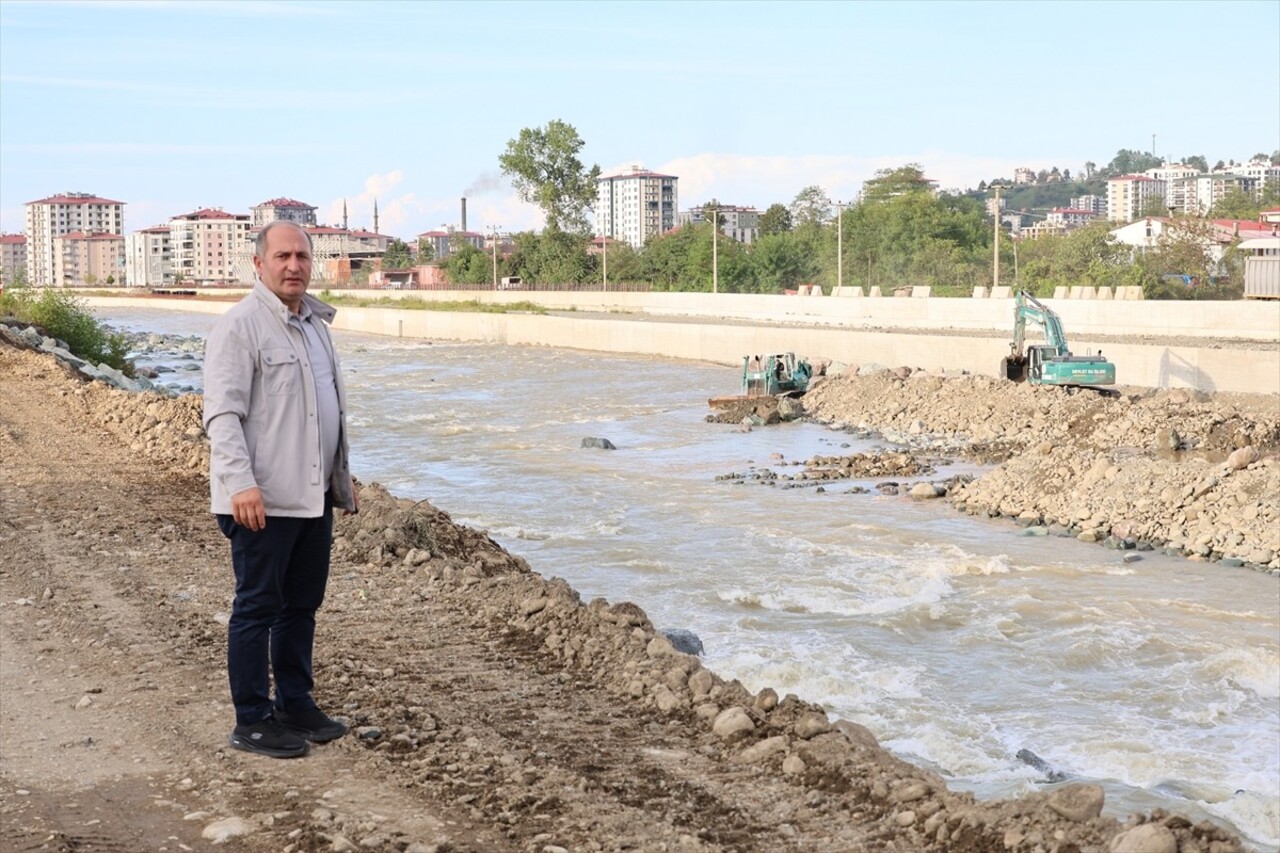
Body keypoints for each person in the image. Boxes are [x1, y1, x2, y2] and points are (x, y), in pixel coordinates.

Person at [203, 220, 358, 758]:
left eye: (302, 256)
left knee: (302, 606)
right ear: (259, 264)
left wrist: (338, 477)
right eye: (283, 256)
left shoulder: (315, 324)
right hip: (261, 501)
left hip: (312, 497)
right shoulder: (241, 327)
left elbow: (322, 408)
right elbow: (222, 416)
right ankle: (251, 718)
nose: (294, 265)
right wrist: (240, 484)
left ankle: (295, 703)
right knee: (257, 606)